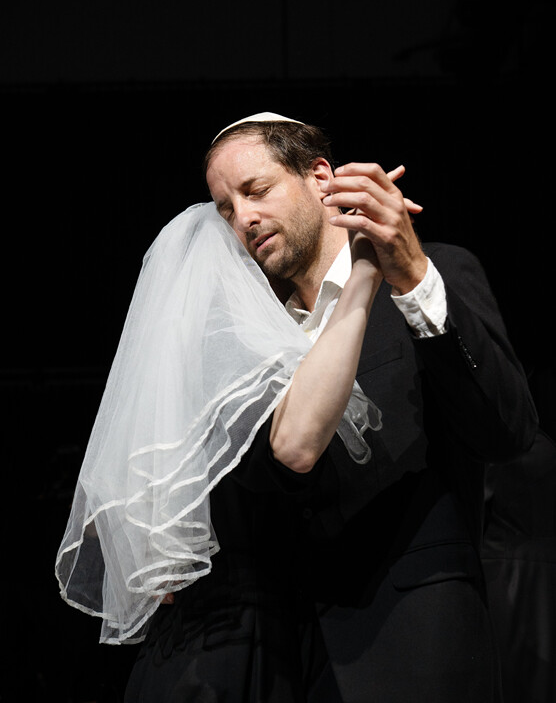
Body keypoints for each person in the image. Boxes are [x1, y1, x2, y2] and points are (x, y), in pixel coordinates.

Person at [57, 113, 538, 703]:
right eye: (226, 209)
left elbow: (508, 431)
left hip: (413, 642)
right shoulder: (240, 340)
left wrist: (412, 275)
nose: (244, 218)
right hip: (275, 665)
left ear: (320, 177)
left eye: (257, 190)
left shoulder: (430, 270)